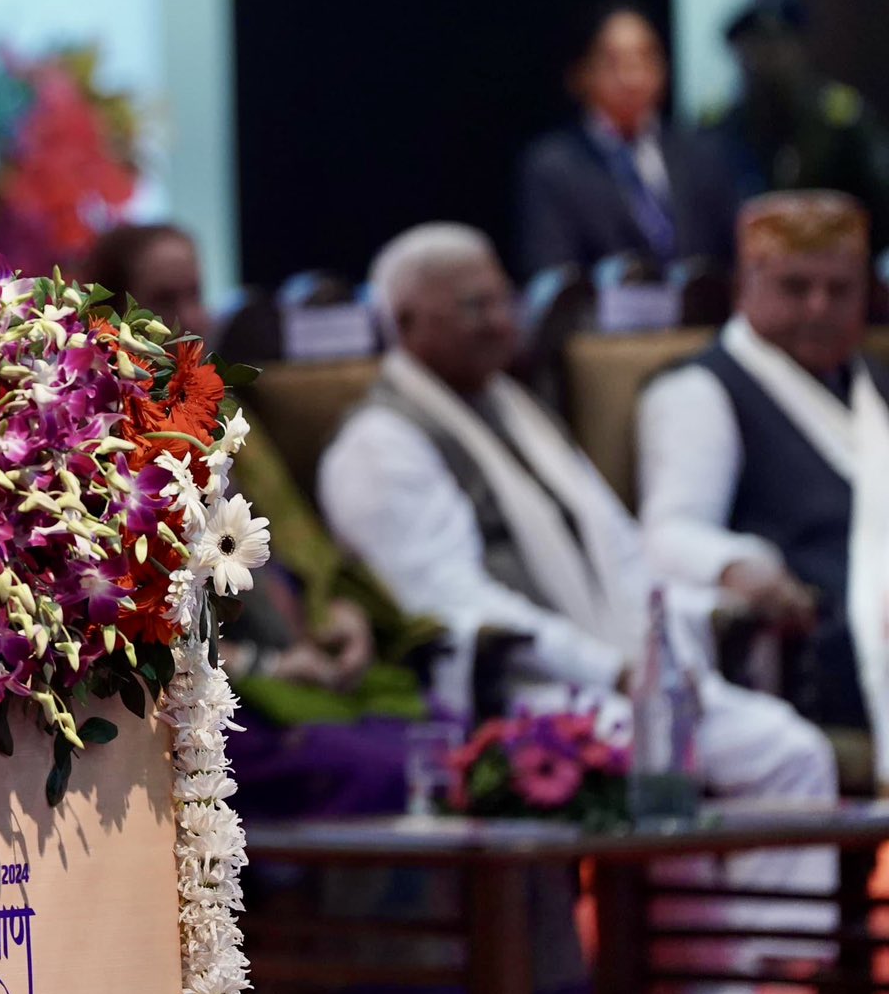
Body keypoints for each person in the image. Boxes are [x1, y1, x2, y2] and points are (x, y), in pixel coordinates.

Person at [318, 224, 834, 814]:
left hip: (617, 682)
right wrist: (610, 670)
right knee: (667, 759)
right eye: (472, 306)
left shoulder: (519, 410)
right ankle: (654, 907)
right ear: (405, 322)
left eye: (501, 299)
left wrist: (671, 652)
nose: (498, 320)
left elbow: (621, 552)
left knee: (791, 752)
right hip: (513, 701)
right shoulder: (378, 444)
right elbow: (449, 603)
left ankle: (713, 912)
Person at [86, 222, 444, 817]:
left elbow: (299, 543)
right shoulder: (104, 430)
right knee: (379, 766)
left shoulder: (220, 403)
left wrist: (339, 614)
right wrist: (270, 665)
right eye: (163, 300)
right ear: (113, 309)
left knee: (441, 732)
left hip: (301, 662)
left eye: (195, 294)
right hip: (207, 701)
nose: (188, 316)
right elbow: (144, 617)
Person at [639, 191, 889, 769]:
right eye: (796, 287)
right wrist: (736, 565)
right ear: (744, 285)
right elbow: (670, 532)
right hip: (826, 642)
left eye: (840, 289)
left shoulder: (874, 382)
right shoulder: (700, 391)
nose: (819, 307)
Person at [515, 3, 738, 277]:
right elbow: (553, 274)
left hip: (703, 317)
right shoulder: (554, 165)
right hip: (600, 317)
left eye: (646, 57)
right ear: (580, 74)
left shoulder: (703, 153)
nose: (633, 76)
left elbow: (733, 254)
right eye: (613, 61)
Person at [706, 0, 889, 251]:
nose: (768, 60)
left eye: (778, 47)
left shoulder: (840, 120)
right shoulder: (718, 127)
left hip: (830, 264)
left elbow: (880, 197)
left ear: (799, 49)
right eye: (756, 48)